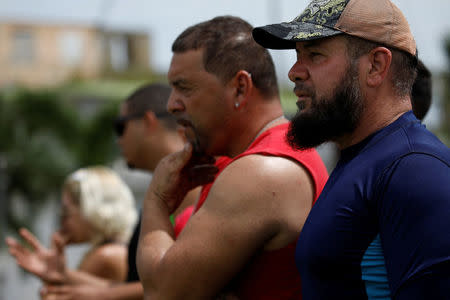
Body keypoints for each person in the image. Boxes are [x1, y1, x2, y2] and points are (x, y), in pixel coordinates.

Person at [252, 0, 450, 299]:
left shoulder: (414, 170)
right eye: (297, 55)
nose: (294, 72)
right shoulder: (365, 157)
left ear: (376, 66)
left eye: (315, 55)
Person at [135, 16, 329, 300]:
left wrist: (157, 201)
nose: (171, 104)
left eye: (184, 88)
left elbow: (163, 292)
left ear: (240, 87)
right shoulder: (250, 157)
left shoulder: (261, 171)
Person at [14, 83, 198, 300]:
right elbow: (140, 286)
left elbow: (181, 283)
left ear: (148, 121)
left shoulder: (193, 184)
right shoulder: (165, 189)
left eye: (120, 127)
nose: (118, 140)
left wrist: (98, 293)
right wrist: (64, 276)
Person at [6, 166, 137, 283]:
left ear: (91, 211)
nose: (62, 222)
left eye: (65, 212)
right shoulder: (119, 249)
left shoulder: (105, 256)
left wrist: (51, 277)